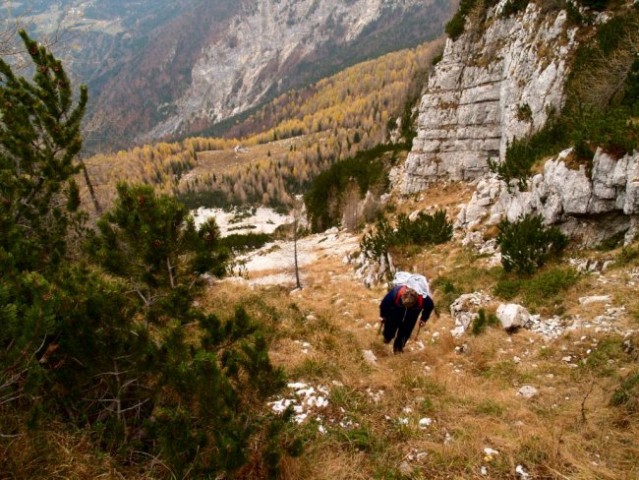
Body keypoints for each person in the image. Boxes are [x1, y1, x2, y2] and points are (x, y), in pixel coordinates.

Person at [379, 276, 434, 354]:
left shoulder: (423, 299)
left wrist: (423, 318)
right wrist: (383, 315)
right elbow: (385, 303)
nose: (406, 307)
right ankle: (387, 337)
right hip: (395, 312)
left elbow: (430, 306)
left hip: (411, 316)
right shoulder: (397, 292)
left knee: (405, 332)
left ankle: (398, 349)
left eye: (409, 306)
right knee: (390, 326)